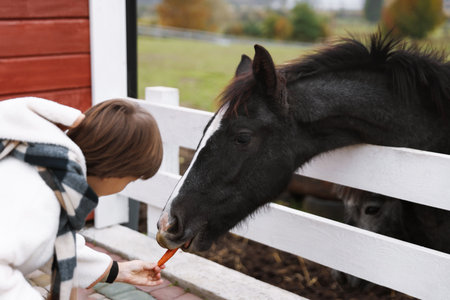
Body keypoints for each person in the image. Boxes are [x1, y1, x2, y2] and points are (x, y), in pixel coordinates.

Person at [0, 97, 164, 300]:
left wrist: (116, 270)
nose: (124, 187)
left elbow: (53, 242)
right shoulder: (41, 197)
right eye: (130, 180)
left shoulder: (47, 169)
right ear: (114, 170)